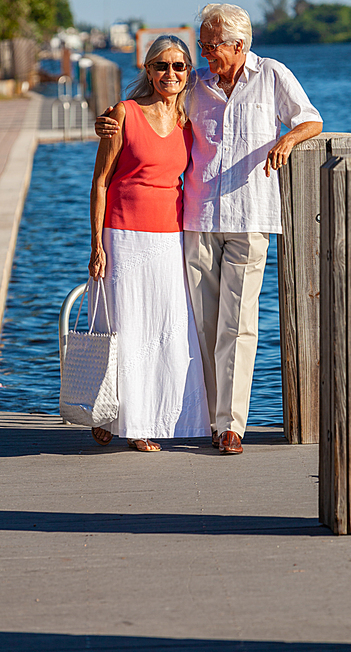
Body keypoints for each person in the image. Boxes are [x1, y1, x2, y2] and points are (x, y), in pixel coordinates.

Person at [96, 4, 323, 455]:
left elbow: (310, 119)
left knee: (238, 326)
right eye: (199, 45)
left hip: (251, 216)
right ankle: (198, 417)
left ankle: (230, 425)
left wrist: (288, 140)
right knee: (198, 325)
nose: (201, 54)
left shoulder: (272, 75)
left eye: (208, 46)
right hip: (195, 218)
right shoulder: (195, 84)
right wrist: (108, 122)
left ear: (238, 45)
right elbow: (150, 113)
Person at [89, 35, 210, 452]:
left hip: (169, 239)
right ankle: (116, 417)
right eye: (161, 66)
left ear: (188, 73)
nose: (170, 74)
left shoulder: (187, 123)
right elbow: (101, 181)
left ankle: (156, 417)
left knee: (166, 331)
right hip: (122, 236)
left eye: (179, 67)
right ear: (147, 70)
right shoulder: (124, 114)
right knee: (124, 328)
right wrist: (96, 245)